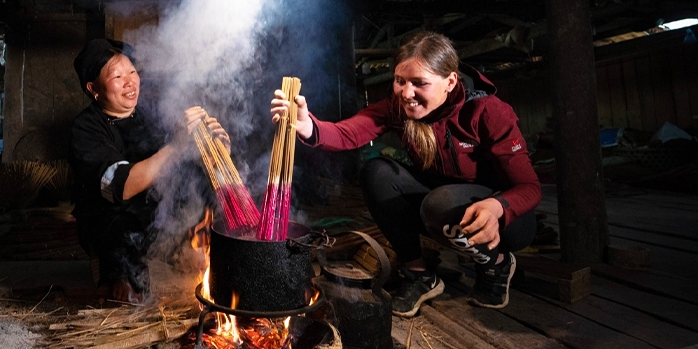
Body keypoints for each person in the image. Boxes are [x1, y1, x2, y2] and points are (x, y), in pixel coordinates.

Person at [270, 31, 540, 316]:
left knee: (441, 202)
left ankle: (497, 264)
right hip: (437, 208)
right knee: (378, 172)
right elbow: (350, 131)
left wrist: (497, 206)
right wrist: (308, 126)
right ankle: (419, 275)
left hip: (505, 218)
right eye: (400, 81)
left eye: (419, 83)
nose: (406, 93)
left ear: (450, 82)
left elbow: (529, 188)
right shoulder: (399, 108)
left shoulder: (488, 112)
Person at [69, 38, 229, 303]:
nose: (130, 82)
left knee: (201, 187)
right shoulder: (86, 129)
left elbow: (184, 165)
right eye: (117, 76)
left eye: (132, 72)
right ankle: (115, 274)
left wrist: (217, 149)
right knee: (121, 244)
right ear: (93, 88)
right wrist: (178, 144)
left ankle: (185, 253)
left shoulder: (149, 114)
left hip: (153, 216)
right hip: (111, 222)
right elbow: (123, 186)